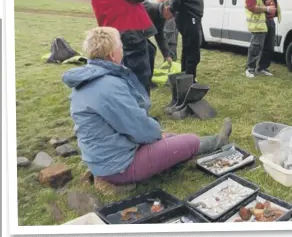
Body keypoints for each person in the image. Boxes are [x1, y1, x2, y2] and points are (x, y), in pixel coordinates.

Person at [62, 27, 233, 185]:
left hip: (105, 157)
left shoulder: (89, 78)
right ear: (112, 54)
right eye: (120, 46)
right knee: (189, 141)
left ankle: (172, 153)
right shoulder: (108, 86)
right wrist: (157, 134)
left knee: (169, 137)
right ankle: (218, 141)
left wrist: (158, 134)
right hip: (119, 166)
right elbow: (138, 127)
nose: (123, 50)